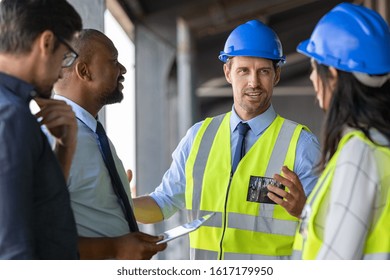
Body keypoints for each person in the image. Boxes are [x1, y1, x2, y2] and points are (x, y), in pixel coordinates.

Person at [134, 19, 321, 260]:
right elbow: (164, 202)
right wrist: (120, 202)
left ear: (276, 75)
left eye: (263, 71)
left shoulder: (301, 144)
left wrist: (303, 210)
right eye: (244, 70)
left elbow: (328, 225)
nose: (253, 82)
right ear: (228, 72)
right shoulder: (198, 137)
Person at [53, 29, 167, 260]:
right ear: (84, 71)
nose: (122, 69)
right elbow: (31, 234)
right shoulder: (53, 137)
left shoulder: (92, 135)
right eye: (114, 61)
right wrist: (116, 249)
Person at [292, 2, 390, 260]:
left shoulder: (360, 153)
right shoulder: (380, 147)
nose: (313, 79)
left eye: (314, 69)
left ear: (333, 75)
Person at [0, 0, 82, 259]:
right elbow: (12, 252)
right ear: (46, 43)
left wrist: (65, 149)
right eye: (66, 56)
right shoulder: (10, 117)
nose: (61, 73)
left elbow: (37, 210)